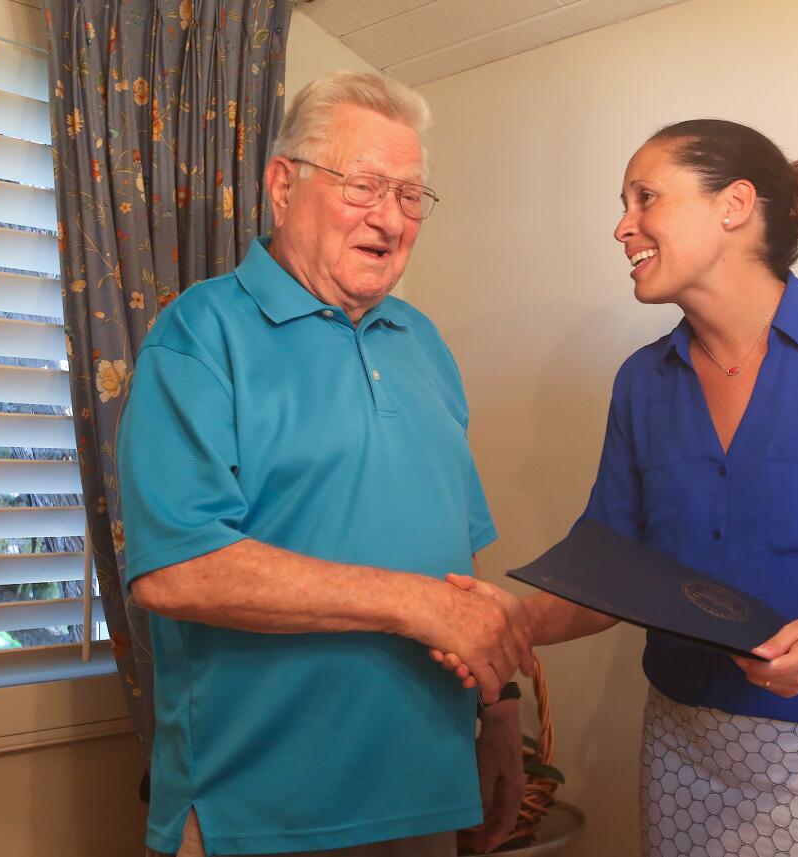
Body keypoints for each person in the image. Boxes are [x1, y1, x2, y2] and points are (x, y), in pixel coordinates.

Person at [436, 119, 798, 857]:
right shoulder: (642, 382)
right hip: (686, 751)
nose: (621, 226)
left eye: (645, 198)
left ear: (734, 205)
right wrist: (503, 623)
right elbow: (608, 571)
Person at [119, 72, 532, 857]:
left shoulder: (424, 344)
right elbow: (178, 570)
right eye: (365, 185)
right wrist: (408, 603)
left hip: (426, 797)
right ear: (283, 185)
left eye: (412, 195)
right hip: (260, 814)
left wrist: (499, 705)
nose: (390, 216)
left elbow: (456, 566)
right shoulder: (199, 336)